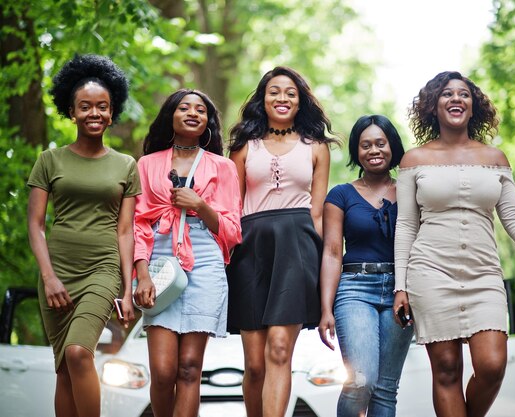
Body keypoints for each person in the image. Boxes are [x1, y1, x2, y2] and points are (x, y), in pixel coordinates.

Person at [393, 71, 515, 417]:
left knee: (492, 365)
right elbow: (405, 226)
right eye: (447, 94)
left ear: (473, 106)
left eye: (463, 94)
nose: (456, 99)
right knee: (446, 371)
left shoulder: (495, 158)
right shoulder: (414, 161)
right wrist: (400, 286)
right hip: (430, 273)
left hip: (484, 276)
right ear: (433, 106)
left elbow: (514, 218)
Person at [27, 54, 138, 417]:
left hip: (101, 269)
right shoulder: (50, 160)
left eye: (102, 107)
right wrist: (49, 278)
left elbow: (125, 231)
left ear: (112, 111)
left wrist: (126, 288)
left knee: (78, 352)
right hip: (57, 270)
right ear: (71, 112)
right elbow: (37, 224)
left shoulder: (125, 165)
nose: (94, 113)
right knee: (64, 368)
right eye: (85, 106)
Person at [226, 66, 336, 417]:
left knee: (278, 349)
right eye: (274, 91)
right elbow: (231, 208)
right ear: (263, 98)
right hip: (250, 248)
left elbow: (317, 214)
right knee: (255, 364)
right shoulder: (244, 147)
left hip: (297, 248)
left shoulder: (316, 147)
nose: (282, 98)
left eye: (290, 92)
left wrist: (322, 276)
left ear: (300, 100)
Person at [132, 89, 242, 417]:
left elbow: (233, 231)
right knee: (164, 372)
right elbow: (138, 224)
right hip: (159, 261)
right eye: (184, 107)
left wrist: (200, 205)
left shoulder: (222, 167)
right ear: (171, 116)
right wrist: (143, 274)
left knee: (190, 368)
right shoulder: (147, 164)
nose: (193, 113)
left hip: (205, 261)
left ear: (208, 121)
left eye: (201, 110)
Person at [318, 115, 413, 416]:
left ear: (392, 147)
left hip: (401, 290)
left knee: (385, 390)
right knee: (360, 381)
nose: (374, 150)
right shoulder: (340, 195)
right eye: (365, 145)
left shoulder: (411, 193)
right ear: (357, 152)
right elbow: (332, 252)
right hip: (355, 288)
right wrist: (325, 308)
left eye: (380, 143)